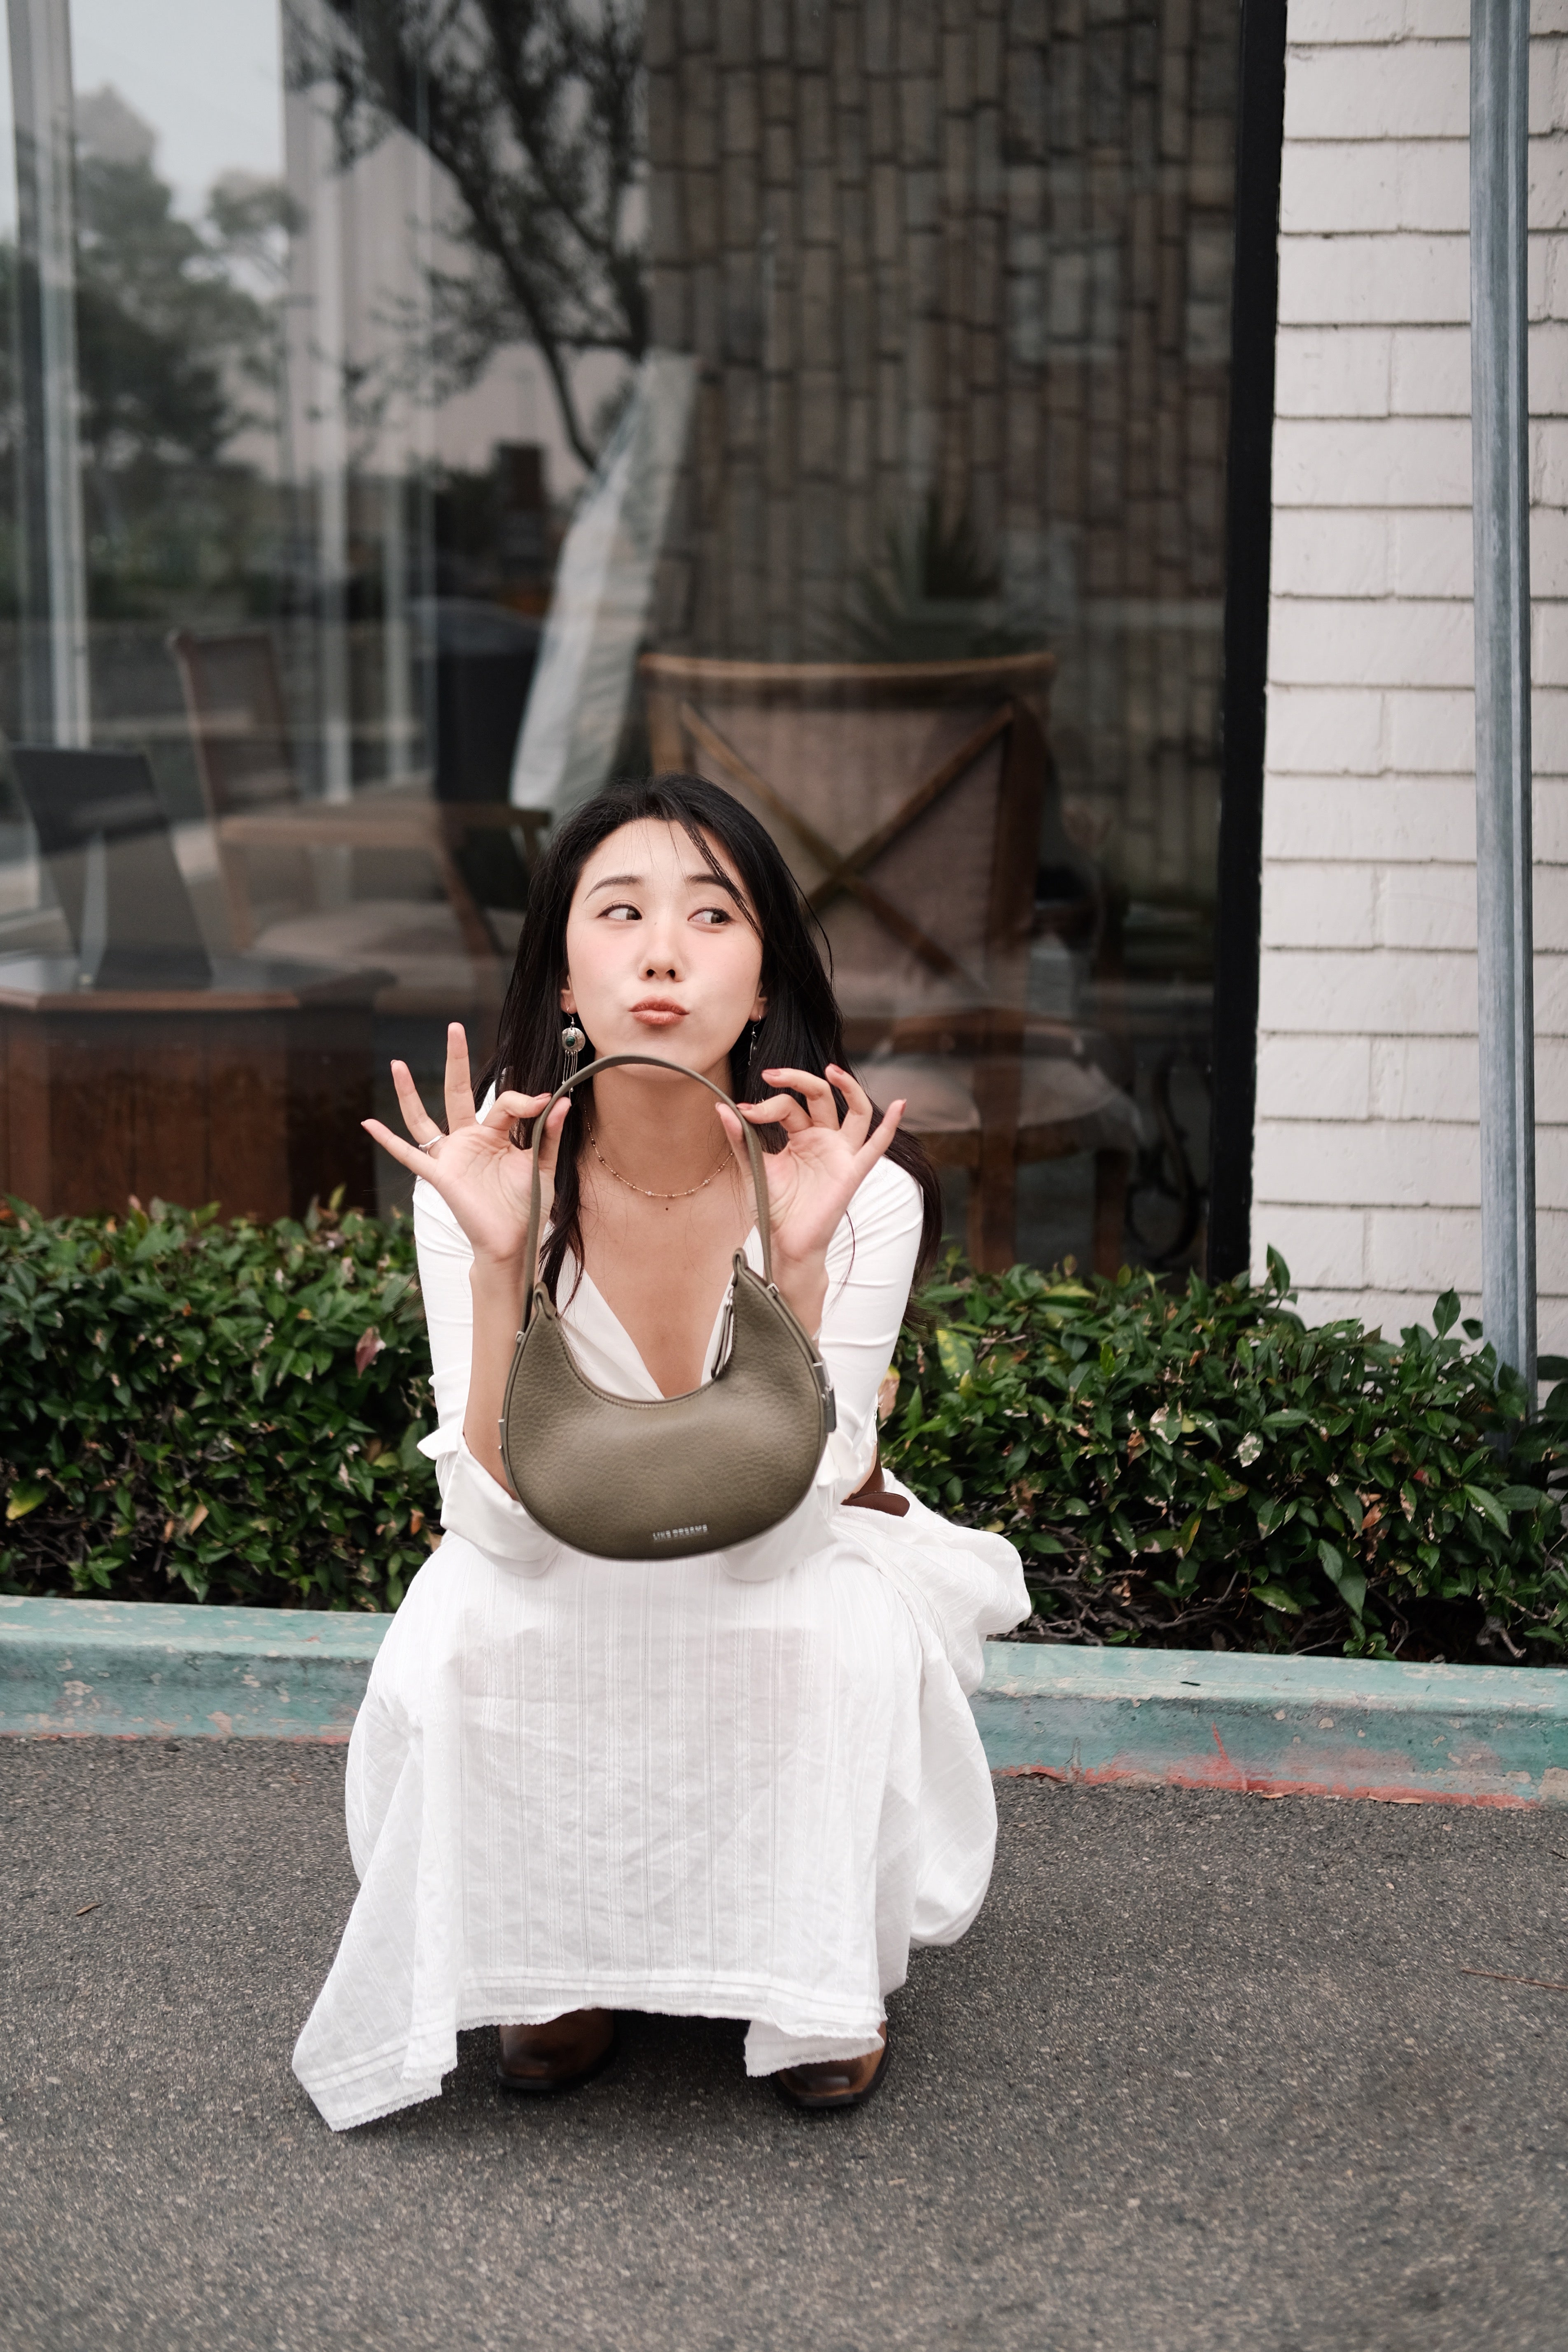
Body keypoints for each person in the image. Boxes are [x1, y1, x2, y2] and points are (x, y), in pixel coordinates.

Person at [293, 775, 1028, 2130]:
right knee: (476, 1617)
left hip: (772, 1544)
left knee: (815, 1620)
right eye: (619, 911)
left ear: (763, 989)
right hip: (548, 1540)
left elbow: (781, 1535)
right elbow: (499, 1528)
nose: (663, 951)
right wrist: (504, 1256)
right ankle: (551, 1958)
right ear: (565, 978)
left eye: (712, 916)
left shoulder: (863, 1200)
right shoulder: (482, 1186)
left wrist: (796, 1277)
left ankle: (809, 1980)